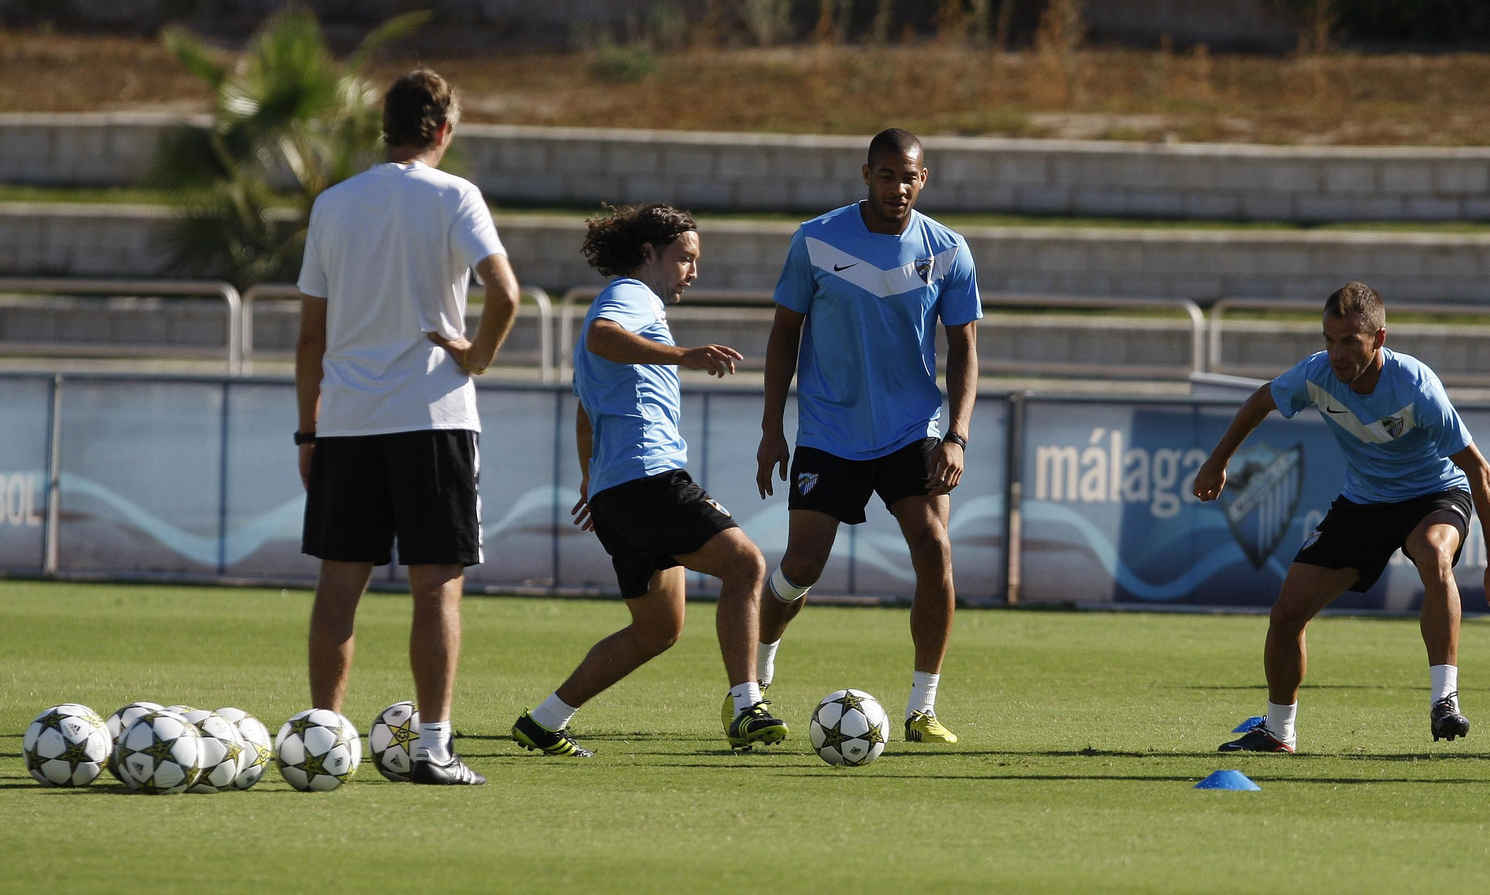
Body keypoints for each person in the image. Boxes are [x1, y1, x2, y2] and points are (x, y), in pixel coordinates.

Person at [295, 70, 519, 785]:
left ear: (383, 126)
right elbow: (506, 293)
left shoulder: (333, 204)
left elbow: (309, 336)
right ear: (444, 130)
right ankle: (431, 748)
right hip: (433, 416)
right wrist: (477, 357)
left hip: (349, 421)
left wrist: (309, 431)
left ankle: (324, 741)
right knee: (437, 586)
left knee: (339, 584)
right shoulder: (455, 195)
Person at [1194, 282, 1490, 753]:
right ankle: (1278, 732)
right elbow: (1261, 401)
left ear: (1379, 340)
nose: (1337, 353)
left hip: (1433, 493)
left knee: (1434, 552)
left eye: (1350, 341)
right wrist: (1217, 461)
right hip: (1364, 502)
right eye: (1330, 340)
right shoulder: (1317, 374)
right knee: (1286, 614)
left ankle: (1444, 700)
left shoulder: (1416, 386)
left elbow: (1479, 469)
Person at [511, 203, 789, 757]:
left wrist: (595, 485)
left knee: (658, 629)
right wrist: (685, 353)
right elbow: (604, 337)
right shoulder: (631, 297)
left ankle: (544, 721)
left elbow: (587, 415)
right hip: (648, 476)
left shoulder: (626, 304)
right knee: (747, 564)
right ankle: (746, 708)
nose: (693, 271)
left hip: (620, 490)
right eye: (684, 258)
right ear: (648, 254)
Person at [751, 128, 982, 744]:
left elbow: (964, 351)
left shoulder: (949, 250)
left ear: (923, 179)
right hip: (829, 429)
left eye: (909, 177)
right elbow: (783, 336)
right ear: (866, 174)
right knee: (802, 566)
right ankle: (760, 667)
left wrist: (955, 435)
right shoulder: (817, 239)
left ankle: (923, 709)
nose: (898, 188)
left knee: (934, 551)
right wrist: (772, 429)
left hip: (913, 431)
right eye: (886, 176)